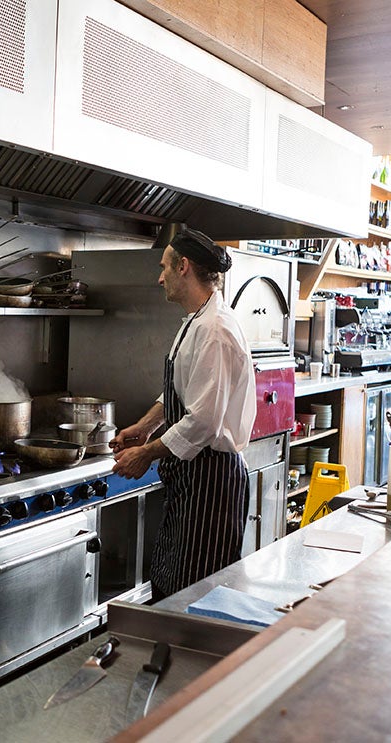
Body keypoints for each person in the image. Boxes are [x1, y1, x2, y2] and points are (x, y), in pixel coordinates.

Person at [110, 228, 256, 601]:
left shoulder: (216, 329)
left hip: (212, 482)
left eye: (164, 268)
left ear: (184, 267)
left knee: (193, 596)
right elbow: (180, 390)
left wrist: (146, 453)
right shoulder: (196, 321)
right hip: (190, 479)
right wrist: (145, 427)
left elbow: (203, 420)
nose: (160, 277)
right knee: (170, 585)